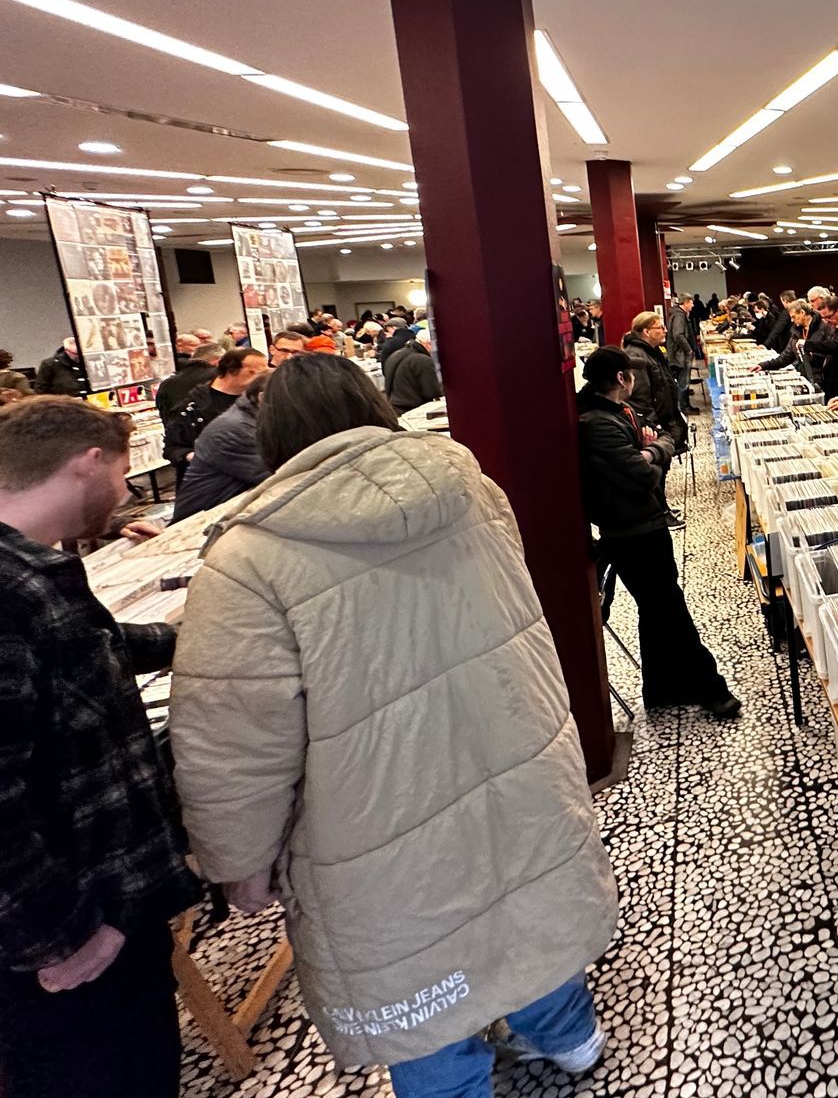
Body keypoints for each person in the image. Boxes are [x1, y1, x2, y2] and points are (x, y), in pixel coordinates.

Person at [168, 356, 621, 1097]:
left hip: (374, 802)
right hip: (510, 745)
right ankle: (569, 1035)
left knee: (418, 965)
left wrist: (237, 861)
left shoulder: (247, 560)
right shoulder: (470, 489)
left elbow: (234, 740)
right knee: (527, 894)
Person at [0, 399, 201, 1098]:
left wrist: (202, 638)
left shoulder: (29, 570)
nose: (122, 492)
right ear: (89, 462)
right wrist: (63, 933)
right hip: (68, 932)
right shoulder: (10, 588)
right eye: (120, 473)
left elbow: (89, 648)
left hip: (105, 905)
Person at [575, 347, 740, 716]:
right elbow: (643, 476)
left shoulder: (618, 412)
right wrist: (653, 452)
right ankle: (712, 688)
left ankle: (661, 689)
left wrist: (651, 450)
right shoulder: (598, 423)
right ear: (621, 378)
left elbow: (662, 438)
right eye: (631, 373)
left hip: (643, 523)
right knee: (670, 608)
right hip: (631, 533)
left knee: (655, 609)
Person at [172, 372, 271, 520]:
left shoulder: (252, 418)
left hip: (226, 513)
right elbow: (274, 474)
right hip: (203, 521)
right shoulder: (235, 429)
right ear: (262, 398)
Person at [164, 346, 268, 468]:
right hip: (214, 473)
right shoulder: (193, 407)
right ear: (231, 371)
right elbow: (172, 448)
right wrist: (199, 457)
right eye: (253, 372)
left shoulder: (258, 398)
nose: (260, 377)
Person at [623, 311, 690, 449]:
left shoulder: (654, 351)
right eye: (660, 327)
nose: (666, 331)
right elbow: (638, 399)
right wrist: (655, 428)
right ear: (646, 332)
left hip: (666, 423)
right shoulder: (636, 356)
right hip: (655, 430)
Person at [155, 341, 222, 424]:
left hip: (177, 430)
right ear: (218, 361)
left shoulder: (166, 384)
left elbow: (165, 416)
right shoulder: (219, 378)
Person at [385, 324, 443, 413]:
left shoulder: (396, 354)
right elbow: (432, 392)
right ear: (428, 344)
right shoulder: (423, 360)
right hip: (414, 409)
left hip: (395, 407)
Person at [666, 293, 698, 413]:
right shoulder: (679, 316)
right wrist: (688, 349)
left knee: (683, 381)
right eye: (691, 303)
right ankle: (684, 407)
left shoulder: (679, 314)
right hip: (680, 354)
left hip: (680, 353)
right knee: (683, 382)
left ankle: (684, 405)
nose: (693, 305)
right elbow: (678, 335)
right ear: (685, 303)